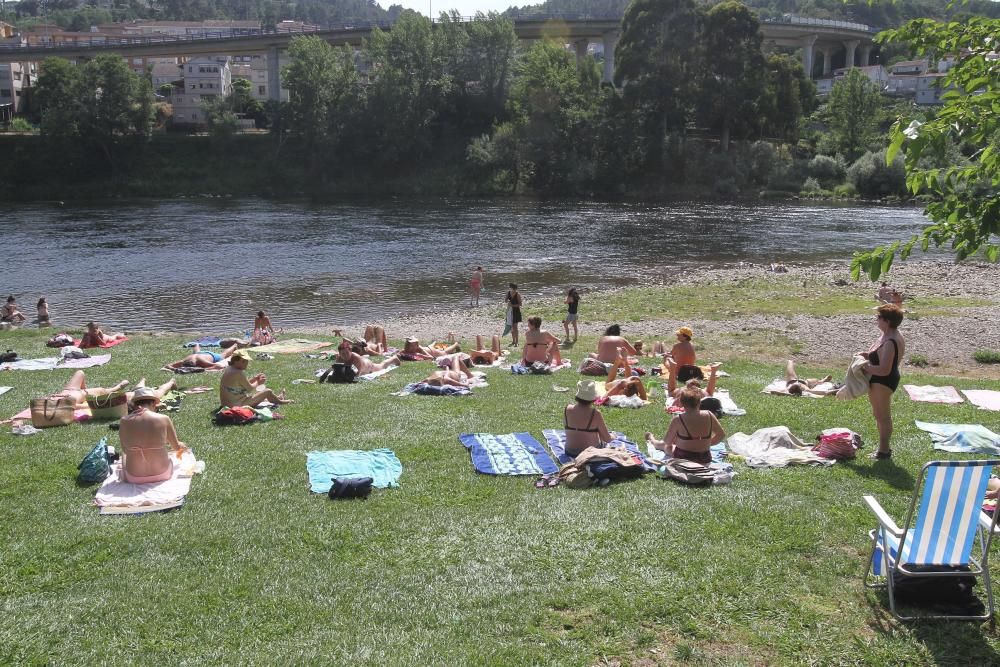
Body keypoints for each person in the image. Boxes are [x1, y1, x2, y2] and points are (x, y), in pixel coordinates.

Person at [861, 303, 905, 460]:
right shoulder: (887, 335)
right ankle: (883, 449)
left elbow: (884, 369)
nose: (876, 319)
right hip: (881, 380)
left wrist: (865, 367)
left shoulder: (890, 341)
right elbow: (879, 357)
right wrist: (867, 355)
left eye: (879, 317)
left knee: (883, 416)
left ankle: (884, 451)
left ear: (887, 321)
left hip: (883, 381)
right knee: (878, 414)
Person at [118, 387, 187, 484]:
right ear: (154, 403)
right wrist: (181, 445)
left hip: (133, 477)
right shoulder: (164, 418)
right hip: (163, 474)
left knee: (124, 455)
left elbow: (125, 450)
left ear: (135, 404)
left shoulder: (124, 421)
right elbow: (176, 447)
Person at [646, 382, 725, 465]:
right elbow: (721, 435)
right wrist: (707, 444)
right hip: (704, 458)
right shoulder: (709, 414)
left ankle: (652, 440)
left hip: (684, 458)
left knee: (666, 446)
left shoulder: (678, 419)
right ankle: (653, 439)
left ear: (682, 403)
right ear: (699, 402)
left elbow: (667, 442)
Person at [220, 349, 293, 407]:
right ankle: (280, 402)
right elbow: (249, 389)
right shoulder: (238, 373)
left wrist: (254, 379)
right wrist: (258, 382)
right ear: (235, 361)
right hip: (236, 405)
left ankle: (277, 398)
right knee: (267, 391)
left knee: (261, 394)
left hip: (227, 404)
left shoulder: (230, 369)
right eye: (243, 361)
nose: (246, 363)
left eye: (247, 361)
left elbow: (242, 385)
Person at [564, 380, 613, 458]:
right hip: (590, 453)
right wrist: (612, 436)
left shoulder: (567, 409)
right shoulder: (595, 414)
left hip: (570, 451)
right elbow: (607, 439)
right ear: (593, 398)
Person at [335, 339, 400, 375]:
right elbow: (337, 371)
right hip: (363, 363)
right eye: (342, 354)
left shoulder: (356, 358)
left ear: (350, 351)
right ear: (340, 353)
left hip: (368, 366)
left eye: (347, 353)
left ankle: (393, 358)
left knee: (382, 366)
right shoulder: (339, 358)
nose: (345, 355)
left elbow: (358, 374)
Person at [163, 343, 240, 371]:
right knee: (196, 352)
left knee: (223, 354)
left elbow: (217, 366)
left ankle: (234, 345)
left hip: (211, 356)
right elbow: (167, 366)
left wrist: (204, 369)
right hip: (200, 354)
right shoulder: (184, 361)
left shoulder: (202, 362)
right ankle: (197, 344)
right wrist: (174, 368)